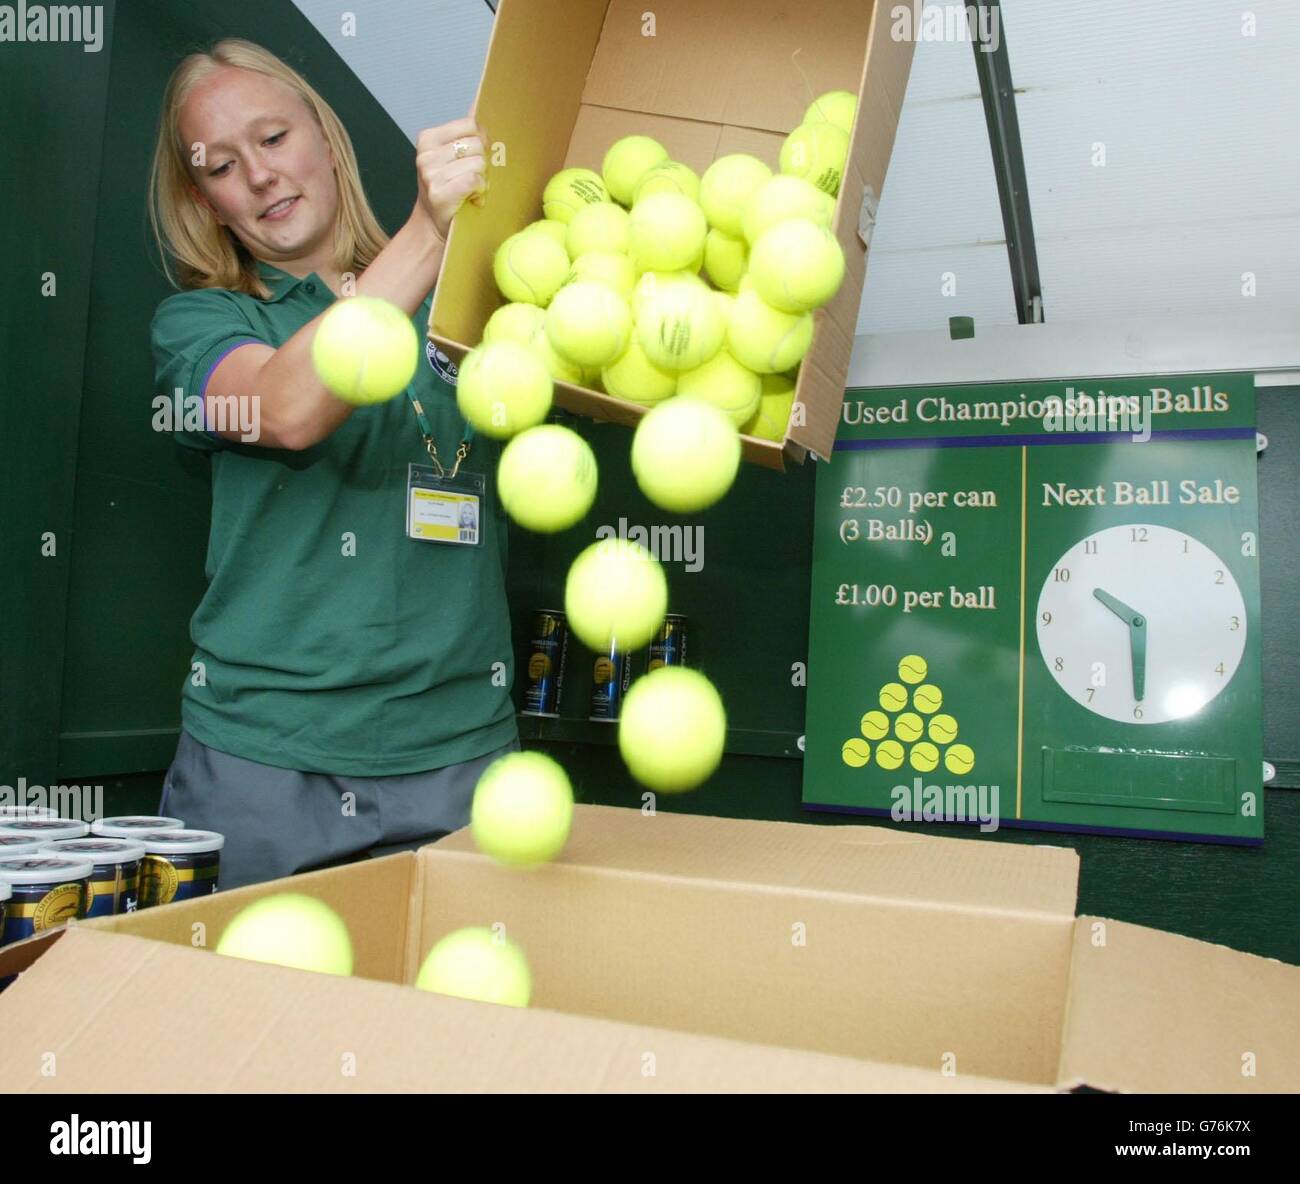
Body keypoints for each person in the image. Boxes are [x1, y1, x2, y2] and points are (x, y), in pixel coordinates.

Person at [147, 38, 518, 889]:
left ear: (325, 135)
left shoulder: (465, 299)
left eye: (274, 139)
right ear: (204, 200)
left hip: (461, 757)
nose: (260, 176)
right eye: (221, 166)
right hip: (264, 765)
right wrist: (427, 232)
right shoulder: (200, 325)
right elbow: (285, 408)